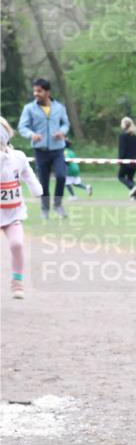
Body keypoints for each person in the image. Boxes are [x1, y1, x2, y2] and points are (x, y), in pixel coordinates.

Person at [0, 117, 42, 298]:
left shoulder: (18, 157)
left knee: (17, 244)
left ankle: (17, 283)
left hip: (12, 212)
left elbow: (29, 175)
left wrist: (38, 191)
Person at [17, 78, 70, 219]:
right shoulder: (29, 108)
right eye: (34, 90)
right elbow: (22, 126)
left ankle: (58, 205)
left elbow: (66, 124)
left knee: (61, 176)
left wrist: (62, 132)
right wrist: (31, 135)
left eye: (39, 91)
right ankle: (45, 209)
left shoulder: (59, 107)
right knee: (43, 181)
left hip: (58, 149)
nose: (36, 93)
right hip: (40, 151)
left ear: (47, 92)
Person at [117, 117, 136, 200]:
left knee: (120, 176)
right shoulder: (134, 136)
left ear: (124, 125)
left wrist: (120, 159)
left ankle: (133, 187)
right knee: (130, 178)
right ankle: (135, 195)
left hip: (127, 162)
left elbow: (122, 149)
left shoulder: (122, 136)